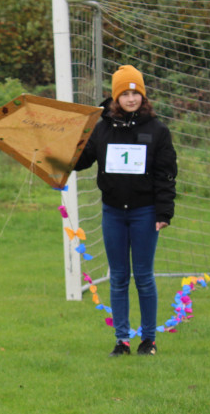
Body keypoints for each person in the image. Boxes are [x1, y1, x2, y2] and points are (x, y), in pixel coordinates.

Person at [74, 64, 178, 357]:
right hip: (113, 214)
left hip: (145, 214)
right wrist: (57, 153)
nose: (131, 98)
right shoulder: (102, 128)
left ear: (143, 96)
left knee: (144, 277)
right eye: (125, 93)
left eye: (136, 93)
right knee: (118, 277)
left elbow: (166, 174)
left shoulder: (157, 130)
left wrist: (163, 213)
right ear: (115, 97)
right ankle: (122, 341)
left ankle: (149, 340)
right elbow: (82, 160)